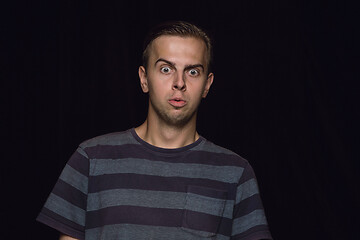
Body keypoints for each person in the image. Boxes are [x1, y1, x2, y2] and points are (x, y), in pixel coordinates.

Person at [37, 21, 272, 240]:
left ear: (207, 85)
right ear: (144, 78)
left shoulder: (235, 172)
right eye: (166, 69)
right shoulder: (91, 158)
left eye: (192, 72)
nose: (179, 82)